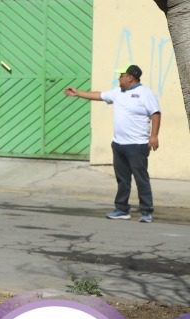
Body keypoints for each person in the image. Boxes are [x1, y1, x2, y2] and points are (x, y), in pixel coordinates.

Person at [65, 64, 161, 222]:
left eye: (121, 75)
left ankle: (146, 211)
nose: (119, 78)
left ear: (130, 77)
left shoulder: (145, 93)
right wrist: (78, 93)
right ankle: (122, 209)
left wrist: (154, 136)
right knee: (122, 179)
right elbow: (99, 95)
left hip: (137, 145)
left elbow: (156, 114)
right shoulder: (118, 92)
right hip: (118, 144)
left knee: (141, 178)